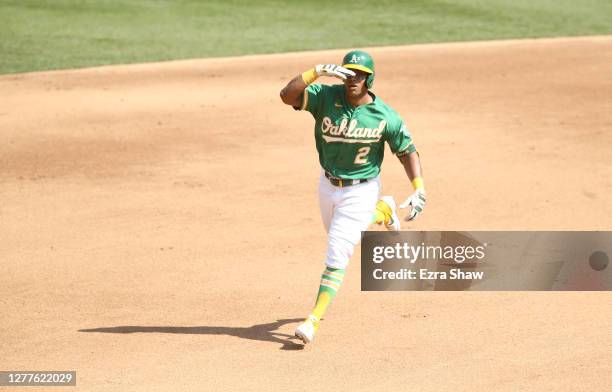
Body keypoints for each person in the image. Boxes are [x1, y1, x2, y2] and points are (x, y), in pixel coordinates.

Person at [279, 50, 426, 344]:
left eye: (359, 74)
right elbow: (287, 96)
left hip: (362, 188)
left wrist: (419, 187)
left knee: (338, 252)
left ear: (369, 79)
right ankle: (383, 211)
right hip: (328, 184)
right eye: (348, 72)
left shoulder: (385, 116)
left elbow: (406, 150)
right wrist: (316, 71)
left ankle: (313, 320)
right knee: (340, 235)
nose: (352, 79)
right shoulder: (324, 97)